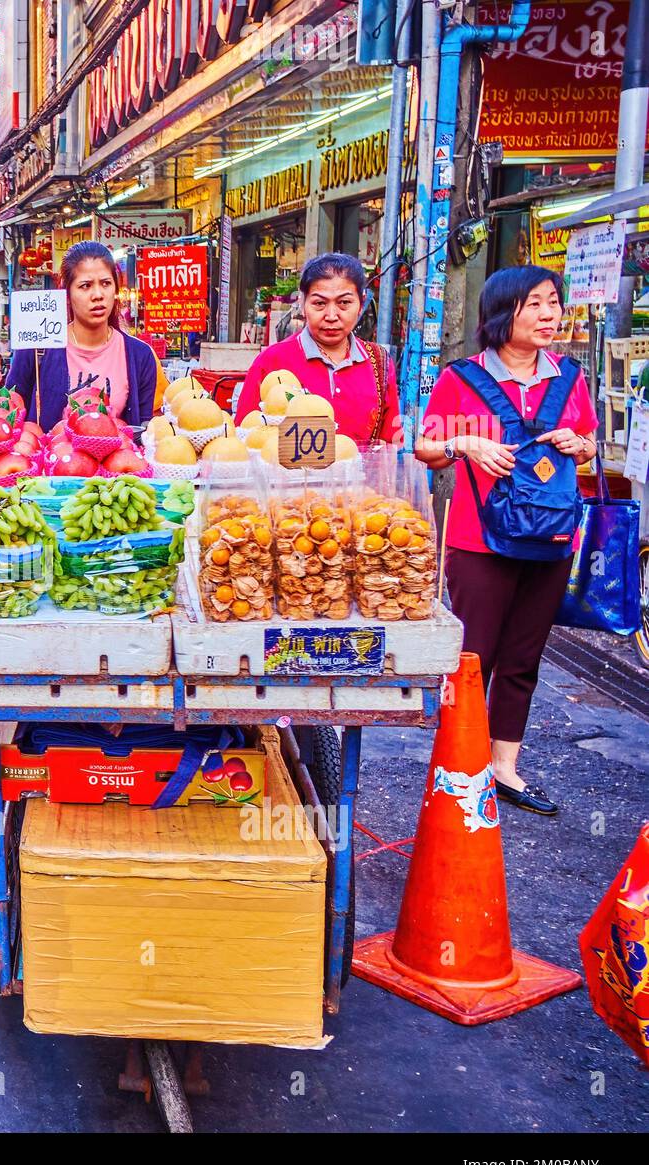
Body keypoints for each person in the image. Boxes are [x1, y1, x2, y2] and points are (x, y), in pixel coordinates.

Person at [415, 265, 597, 818]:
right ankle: (456, 763)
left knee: (523, 657)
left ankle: (504, 766)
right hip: (478, 541)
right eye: (535, 304)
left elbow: (589, 443)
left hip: (552, 537)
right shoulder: (462, 378)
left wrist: (580, 443)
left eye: (553, 303)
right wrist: (466, 442)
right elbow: (425, 446)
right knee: (474, 656)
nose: (549, 315)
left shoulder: (570, 376)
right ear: (503, 313)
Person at [235, 252, 402, 446]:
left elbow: (391, 444)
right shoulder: (272, 361)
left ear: (361, 304)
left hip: (360, 477)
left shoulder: (379, 363)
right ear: (303, 304)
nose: (331, 315)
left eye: (344, 303)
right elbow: (245, 438)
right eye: (319, 303)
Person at [6, 240, 158, 430]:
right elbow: (10, 413)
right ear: (67, 293)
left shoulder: (140, 356)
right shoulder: (37, 348)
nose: (98, 294)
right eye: (85, 286)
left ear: (115, 289)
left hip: (119, 459)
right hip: (50, 458)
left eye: (106, 283)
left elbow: (143, 430)